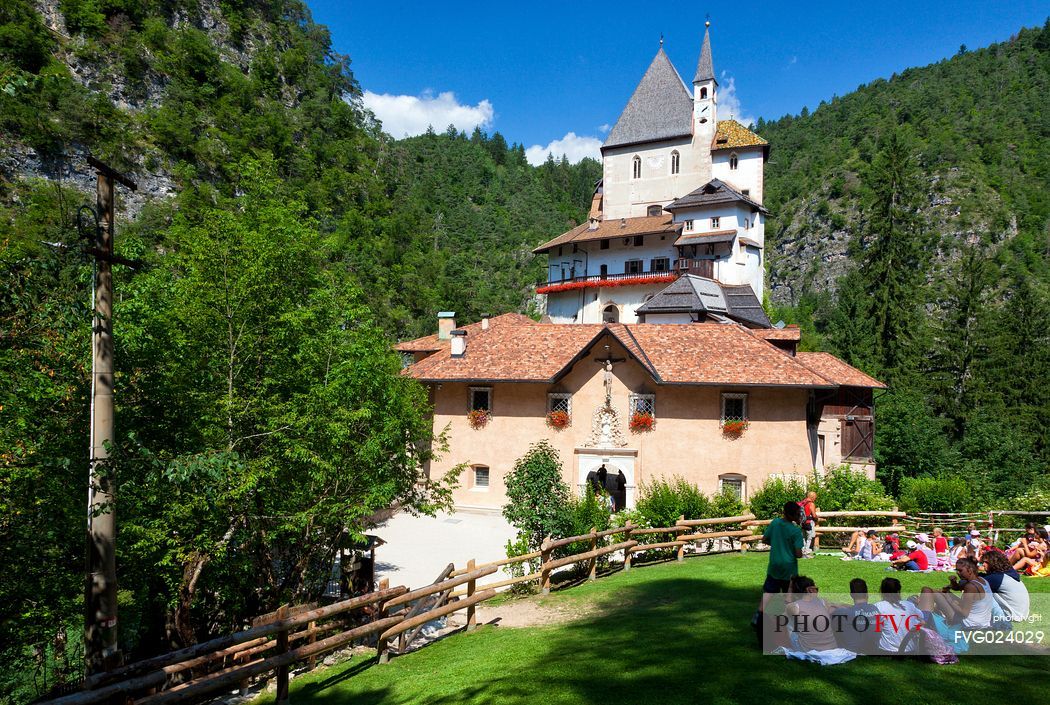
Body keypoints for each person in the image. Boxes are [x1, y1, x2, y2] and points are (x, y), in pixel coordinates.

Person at [930, 557, 994, 629]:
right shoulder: (982, 580)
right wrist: (953, 582)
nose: (958, 573)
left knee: (933, 593)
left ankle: (926, 617)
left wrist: (948, 597)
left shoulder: (970, 587)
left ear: (970, 570)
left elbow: (964, 613)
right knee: (941, 593)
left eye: (960, 571)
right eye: (957, 570)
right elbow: (957, 588)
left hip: (969, 625)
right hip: (983, 623)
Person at [784, 576, 839, 651]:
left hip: (808, 649)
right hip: (831, 647)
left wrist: (790, 589)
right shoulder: (823, 602)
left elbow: (785, 612)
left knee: (787, 619)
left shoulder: (793, 606)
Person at [762, 501, 805, 594]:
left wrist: (777, 544)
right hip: (789, 570)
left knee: (769, 597)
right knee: (789, 599)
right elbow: (798, 554)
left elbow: (764, 539)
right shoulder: (796, 531)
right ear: (794, 515)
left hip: (774, 567)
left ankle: (764, 609)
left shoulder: (775, 523)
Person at [873, 577, 924, 654]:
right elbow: (922, 618)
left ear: (882, 591)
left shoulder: (878, 606)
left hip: (886, 651)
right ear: (899, 591)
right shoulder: (909, 605)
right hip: (910, 651)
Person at [830, 578, 879, 653]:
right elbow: (859, 608)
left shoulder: (843, 613)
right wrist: (842, 605)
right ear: (867, 593)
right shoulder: (874, 609)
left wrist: (836, 606)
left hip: (852, 651)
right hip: (873, 649)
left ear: (851, 595)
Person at [981, 550, 1030, 621]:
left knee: (978, 590)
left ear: (993, 563)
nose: (983, 564)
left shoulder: (996, 578)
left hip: (1012, 615)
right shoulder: (1007, 574)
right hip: (1022, 614)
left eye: (986, 562)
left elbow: (974, 583)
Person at [799, 491, 819, 557]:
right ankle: (807, 551)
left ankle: (803, 550)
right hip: (809, 522)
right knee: (809, 537)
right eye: (815, 497)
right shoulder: (811, 504)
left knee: (803, 537)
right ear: (812, 497)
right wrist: (817, 518)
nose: (815, 499)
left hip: (802, 522)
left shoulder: (803, 503)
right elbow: (813, 515)